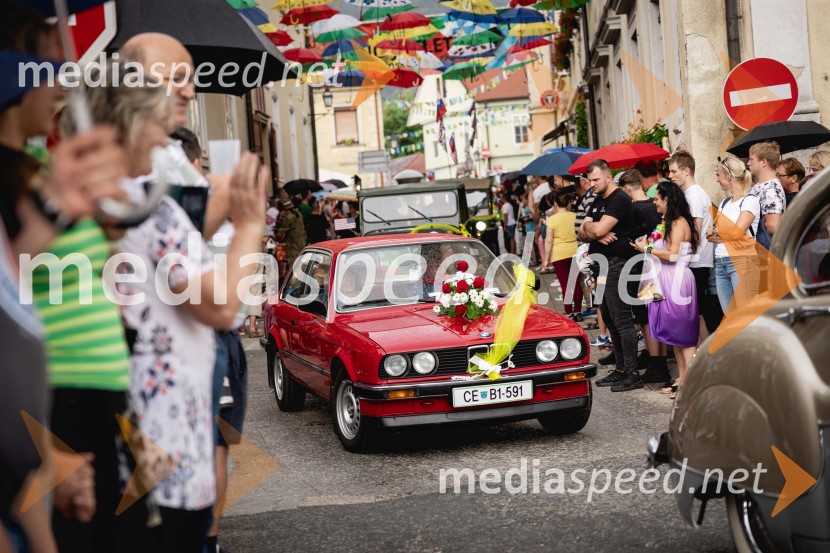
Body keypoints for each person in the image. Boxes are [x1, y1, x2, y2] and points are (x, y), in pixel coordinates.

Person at [632, 182, 700, 400]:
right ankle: (682, 379)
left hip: (677, 280)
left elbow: (672, 255)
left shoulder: (679, 223)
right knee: (675, 337)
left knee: (684, 337)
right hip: (666, 280)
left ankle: (691, 386)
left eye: (657, 198)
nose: (654, 202)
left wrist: (647, 249)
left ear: (667, 200)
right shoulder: (668, 223)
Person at [578, 159, 640, 392]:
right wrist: (594, 232)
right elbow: (583, 233)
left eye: (595, 180)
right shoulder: (596, 200)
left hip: (618, 264)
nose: (591, 184)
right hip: (600, 266)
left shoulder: (619, 199)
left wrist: (594, 229)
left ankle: (632, 374)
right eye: (589, 180)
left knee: (622, 319)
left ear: (607, 176)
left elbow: (596, 229)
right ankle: (621, 369)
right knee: (610, 319)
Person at [618, 169, 669, 385]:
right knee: (656, 313)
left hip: (640, 267)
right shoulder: (655, 205)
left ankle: (656, 362)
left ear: (627, 188)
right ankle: (660, 359)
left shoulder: (633, 211)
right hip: (658, 264)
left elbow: (630, 240)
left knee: (645, 317)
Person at [668, 150, 714, 339]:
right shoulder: (691, 193)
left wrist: (682, 258)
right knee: (697, 311)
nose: (670, 176)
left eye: (673, 171)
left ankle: (704, 353)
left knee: (698, 311)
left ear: (686, 171)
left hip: (696, 262)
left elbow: (694, 232)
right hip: (696, 261)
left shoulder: (694, 195)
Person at [709, 155, 760, 313]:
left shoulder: (750, 200)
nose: (716, 179)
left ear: (729, 176)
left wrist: (720, 234)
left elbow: (737, 232)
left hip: (742, 261)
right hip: (721, 262)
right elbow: (710, 235)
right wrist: (725, 234)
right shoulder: (724, 203)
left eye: (718, 174)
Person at [544, 189, 583, 318]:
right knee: (576, 282)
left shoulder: (552, 219)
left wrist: (545, 260)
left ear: (555, 204)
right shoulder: (575, 216)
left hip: (559, 254)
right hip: (575, 252)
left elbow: (549, 240)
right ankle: (578, 311)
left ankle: (568, 311)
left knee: (565, 284)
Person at [746, 141, 786, 249]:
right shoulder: (763, 186)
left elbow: (773, 226)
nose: (748, 163)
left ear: (763, 162)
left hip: (762, 252)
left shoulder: (771, 188)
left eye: (751, 159)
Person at [277, 198, 307, 269]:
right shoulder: (299, 215)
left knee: (293, 271)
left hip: (292, 250)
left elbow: (279, 235)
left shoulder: (289, 218)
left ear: (284, 210)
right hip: (300, 248)